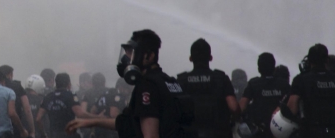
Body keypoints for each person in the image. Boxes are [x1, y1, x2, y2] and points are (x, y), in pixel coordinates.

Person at [65, 29, 193, 138]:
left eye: (132, 53)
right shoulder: (168, 82)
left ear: (149, 56)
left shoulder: (147, 86)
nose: (127, 58)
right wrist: (91, 122)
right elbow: (127, 123)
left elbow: (150, 135)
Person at [176, 38, 239, 138]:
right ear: (210, 57)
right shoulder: (221, 78)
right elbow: (234, 108)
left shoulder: (181, 80)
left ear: (190, 58)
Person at [287, 44, 335, 138]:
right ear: (326, 60)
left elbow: (291, 109)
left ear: (309, 60)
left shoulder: (301, 79)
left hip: (310, 131)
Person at [239, 52, 289, 138]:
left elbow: (242, 106)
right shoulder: (284, 84)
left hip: (260, 131)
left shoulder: (254, 83)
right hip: (281, 131)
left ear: (259, 69)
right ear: (274, 67)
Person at [36, 73, 97, 138]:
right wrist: (97, 117)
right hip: (69, 134)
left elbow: (38, 119)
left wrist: (43, 133)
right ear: (69, 84)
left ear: (56, 83)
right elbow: (80, 114)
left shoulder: (48, 97)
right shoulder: (70, 95)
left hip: (53, 135)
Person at [0, 65, 35, 137]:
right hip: (15, 128)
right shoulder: (17, 86)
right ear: (10, 75)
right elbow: (27, 109)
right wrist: (32, 130)